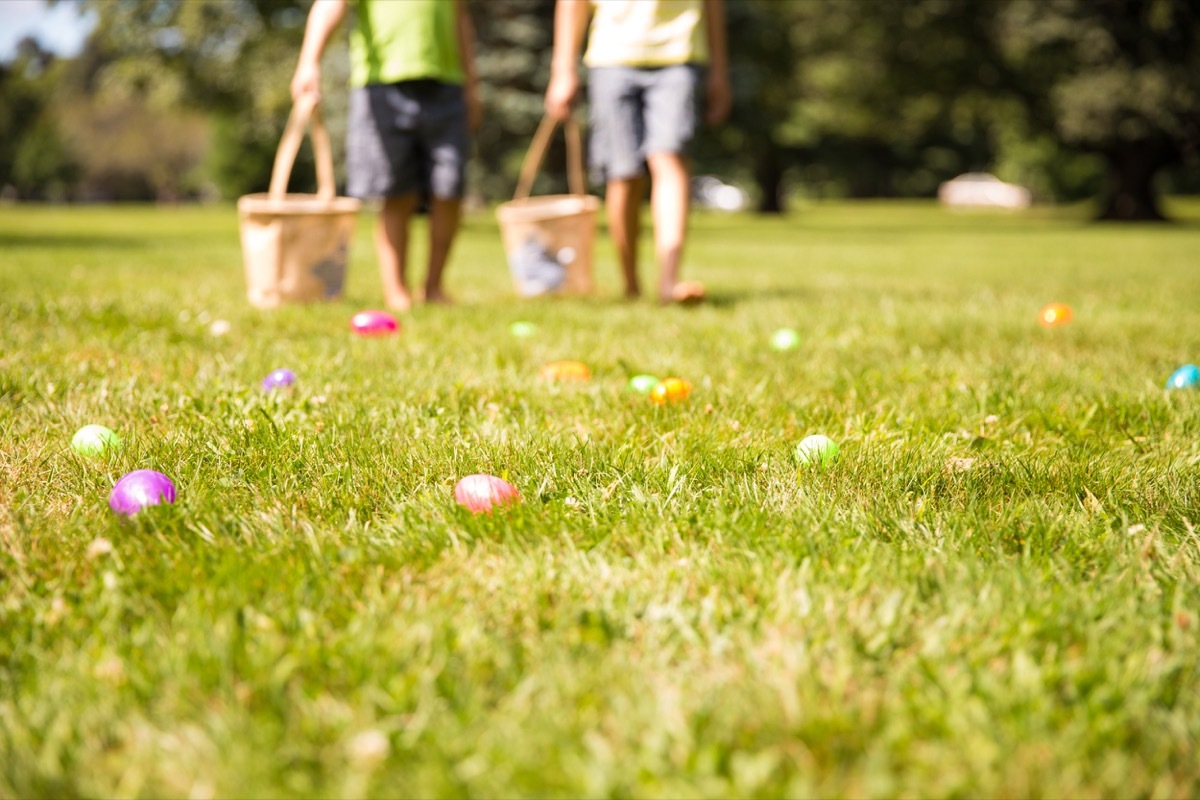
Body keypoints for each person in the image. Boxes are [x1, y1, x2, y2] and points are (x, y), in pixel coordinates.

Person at [291, 0, 481, 311]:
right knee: (394, 190)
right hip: (381, 85)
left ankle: (433, 287)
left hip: (447, 85)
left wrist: (471, 84)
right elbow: (330, 5)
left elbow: (460, 18)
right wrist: (309, 61)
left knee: (450, 186)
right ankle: (397, 291)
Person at [544, 0, 731, 305]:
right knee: (623, 174)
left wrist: (719, 71)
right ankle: (630, 282)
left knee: (669, 158)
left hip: (679, 53)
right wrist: (563, 70)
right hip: (611, 55)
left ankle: (668, 281)